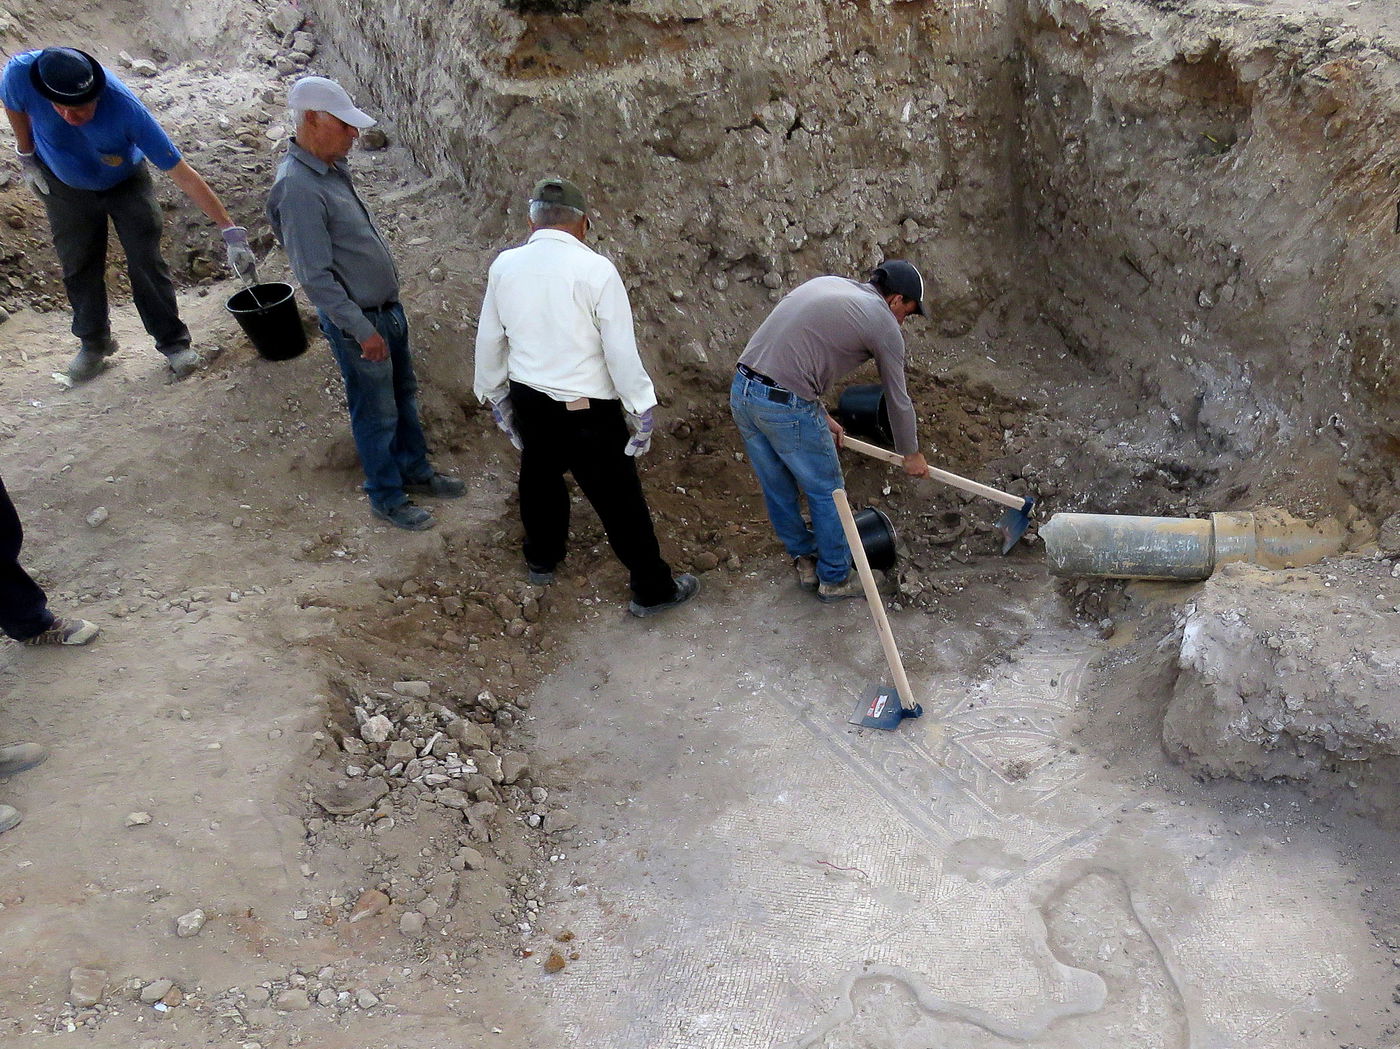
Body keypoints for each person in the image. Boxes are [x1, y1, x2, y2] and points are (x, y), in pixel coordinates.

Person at [473, 177, 698, 619]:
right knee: (619, 497)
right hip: (587, 411)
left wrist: (494, 391)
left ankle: (541, 558)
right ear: (584, 223)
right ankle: (651, 588)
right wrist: (639, 405)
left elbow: (491, 336)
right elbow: (618, 348)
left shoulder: (505, 265)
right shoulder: (596, 270)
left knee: (539, 476)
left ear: (531, 220)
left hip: (530, 399)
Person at [267, 76, 463, 530]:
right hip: (363, 323)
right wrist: (361, 329)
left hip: (384, 312)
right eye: (344, 125)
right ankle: (386, 496)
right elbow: (314, 275)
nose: (354, 133)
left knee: (401, 398)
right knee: (376, 412)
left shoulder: (329, 169)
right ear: (312, 120)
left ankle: (414, 471)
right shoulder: (298, 187)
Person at [2, 47, 258, 382]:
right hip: (63, 185)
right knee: (77, 263)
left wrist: (230, 231)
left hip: (125, 181)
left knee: (145, 259)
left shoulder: (125, 108)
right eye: (60, 108)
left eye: (80, 108)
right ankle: (94, 344)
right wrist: (27, 155)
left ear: (97, 95)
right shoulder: (21, 74)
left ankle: (173, 344)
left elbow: (182, 173)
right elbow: (13, 102)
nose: (70, 117)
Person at [731, 261, 931, 602]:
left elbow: (792, 353)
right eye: (907, 313)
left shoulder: (831, 286)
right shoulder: (882, 321)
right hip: (786, 402)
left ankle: (805, 560)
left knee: (777, 485)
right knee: (827, 491)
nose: (902, 323)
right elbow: (898, 399)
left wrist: (819, 412)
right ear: (896, 299)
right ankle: (835, 577)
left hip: (743, 392)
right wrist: (910, 454)